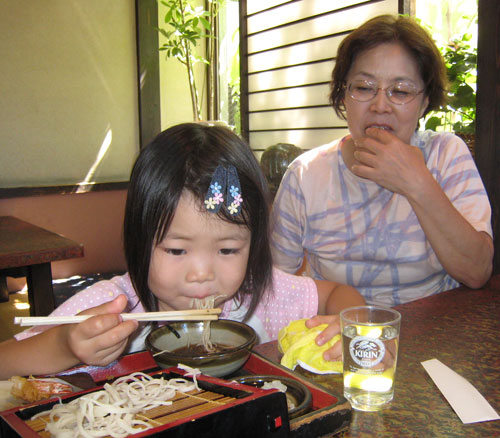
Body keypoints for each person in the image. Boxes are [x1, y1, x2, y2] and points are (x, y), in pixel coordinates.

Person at [0, 122, 364, 380]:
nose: (202, 273)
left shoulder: (260, 295)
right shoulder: (117, 305)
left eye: (227, 249)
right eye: (176, 250)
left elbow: (335, 293)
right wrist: (67, 345)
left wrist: (355, 328)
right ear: (140, 242)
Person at [270, 14, 493, 307]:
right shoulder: (305, 175)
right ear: (343, 95)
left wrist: (416, 182)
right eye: (363, 88)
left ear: (424, 102)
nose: (380, 106)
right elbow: (275, 286)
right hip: (338, 334)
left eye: (400, 91)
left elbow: (477, 272)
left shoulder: (446, 154)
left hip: (434, 331)